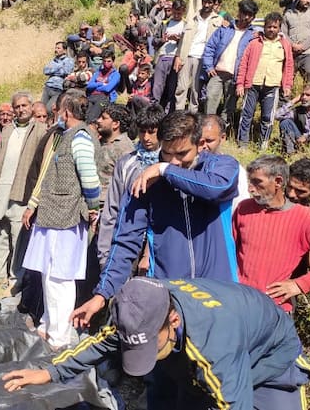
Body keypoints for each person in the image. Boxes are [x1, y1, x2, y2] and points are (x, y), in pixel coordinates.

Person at [3, 277, 310, 410]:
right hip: (193, 353)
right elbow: (100, 343)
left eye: (152, 345)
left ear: (173, 321)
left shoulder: (213, 348)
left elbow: (234, 404)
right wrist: (49, 372)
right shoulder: (136, 307)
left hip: (271, 361)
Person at [73, 110, 241, 332]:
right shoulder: (146, 184)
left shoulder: (220, 167)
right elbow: (124, 243)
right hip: (169, 295)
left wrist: (164, 169)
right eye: (168, 153)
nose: (174, 161)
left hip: (218, 290)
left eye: (182, 154)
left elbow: (217, 188)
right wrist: (102, 293)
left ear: (200, 144)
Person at [22, 92, 101, 349]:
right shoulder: (63, 136)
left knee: (61, 278)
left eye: (59, 109)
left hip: (66, 216)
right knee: (49, 274)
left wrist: (92, 208)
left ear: (66, 111)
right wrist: (34, 204)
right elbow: (48, 175)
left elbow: (90, 179)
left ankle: (60, 335)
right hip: (52, 214)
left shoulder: (80, 139)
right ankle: (48, 324)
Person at [234, 155, 310, 313]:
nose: (292, 194)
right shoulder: (244, 209)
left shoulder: (308, 218)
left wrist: (299, 284)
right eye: (290, 187)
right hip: (239, 300)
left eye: (300, 191)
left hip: (276, 305)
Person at [0, 92, 49, 285]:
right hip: (1, 189)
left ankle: (15, 277)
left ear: (31, 106)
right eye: (17, 107)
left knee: (18, 237)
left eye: (24, 106)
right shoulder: (8, 129)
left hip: (21, 192)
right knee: (0, 234)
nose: (21, 110)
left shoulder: (40, 130)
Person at [96, 105, 162, 269]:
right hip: (126, 243)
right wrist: (104, 254)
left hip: (157, 250)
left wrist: (149, 253)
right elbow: (112, 208)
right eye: (142, 131)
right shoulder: (127, 163)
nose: (146, 137)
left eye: (152, 132)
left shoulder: (169, 166)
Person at [236, 12, 294, 149]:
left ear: (279, 28)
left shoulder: (285, 44)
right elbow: (244, 63)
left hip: (272, 86)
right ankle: (242, 143)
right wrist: (240, 84)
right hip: (253, 84)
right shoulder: (255, 43)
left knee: (268, 117)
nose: (271, 30)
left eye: (275, 27)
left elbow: (289, 65)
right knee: (247, 114)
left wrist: (287, 85)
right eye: (269, 27)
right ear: (264, 27)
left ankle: (263, 144)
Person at [202, 0, 259, 131]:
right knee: (210, 100)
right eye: (243, 13)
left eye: (249, 15)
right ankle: (207, 130)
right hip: (217, 72)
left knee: (229, 107)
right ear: (239, 12)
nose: (245, 17)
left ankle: (221, 132)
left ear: (253, 17)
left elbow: (276, 33)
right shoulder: (225, 29)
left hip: (235, 76)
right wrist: (209, 66)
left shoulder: (253, 34)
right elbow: (210, 47)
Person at [174, 0, 223, 113]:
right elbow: (183, 39)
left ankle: (192, 116)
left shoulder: (218, 20)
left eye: (209, 2)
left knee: (195, 90)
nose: (206, 5)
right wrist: (178, 56)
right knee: (181, 87)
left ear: (214, 3)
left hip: (203, 58)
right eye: (205, 2)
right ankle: (178, 115)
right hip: (187, 55)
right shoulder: (192, 18)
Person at [199, 114, 250, 208]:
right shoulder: (187, 165)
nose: (204, 145)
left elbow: (240, 206)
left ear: (222, 138)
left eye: (209, 141)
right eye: (199, 141)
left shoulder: (235, 170)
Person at [95, 103, 136, 205]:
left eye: (103, 118)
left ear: (115, 124)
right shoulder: (101, 142)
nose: (98, 120)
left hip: (106, 205)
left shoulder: (124, 148)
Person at [282, 0, 310, 86]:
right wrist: (293, 45)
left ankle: (309, 100)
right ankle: (284, 101)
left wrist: (303, 46)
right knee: (287, 79)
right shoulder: (288, 14)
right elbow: (283, 33)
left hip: (307, 53)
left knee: (309, 79)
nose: (308, 1)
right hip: (291, 53)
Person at [151, 0, 185, 112]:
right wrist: (162, 40)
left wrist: (179, 40)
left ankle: (168, 113)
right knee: (157, 86)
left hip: (176, 59)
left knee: (172, 88)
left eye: (179, 13)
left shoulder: (186, 25)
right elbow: (153, 42)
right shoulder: (164, 24)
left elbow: (188, 44)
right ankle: (154, 110)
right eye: (174, 12)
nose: (176, 15)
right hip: (163, 57)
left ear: (183, 12)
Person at [86, 51, 121, 123]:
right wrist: (101, 84)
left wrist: (96, 85)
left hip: (105, 97)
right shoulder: (98, 72)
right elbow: (89, 85)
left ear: (113, 61)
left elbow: (108, 89)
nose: (106, 63)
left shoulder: (116, 75)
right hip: (92, 96)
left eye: (109, 61)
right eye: (104, 61)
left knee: (92, 116)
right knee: (85, 113)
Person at [42, 41, 74, 115]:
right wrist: (59, 66)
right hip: (48, 87)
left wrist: (52, 69)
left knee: (49, 109)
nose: (56, 50)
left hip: (58, 89)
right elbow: (45, 71)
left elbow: (66, 71)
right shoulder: (53, 60)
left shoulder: (69, 61)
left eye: (58, 48)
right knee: (41, 108)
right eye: (55, 48)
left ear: (65, 50)